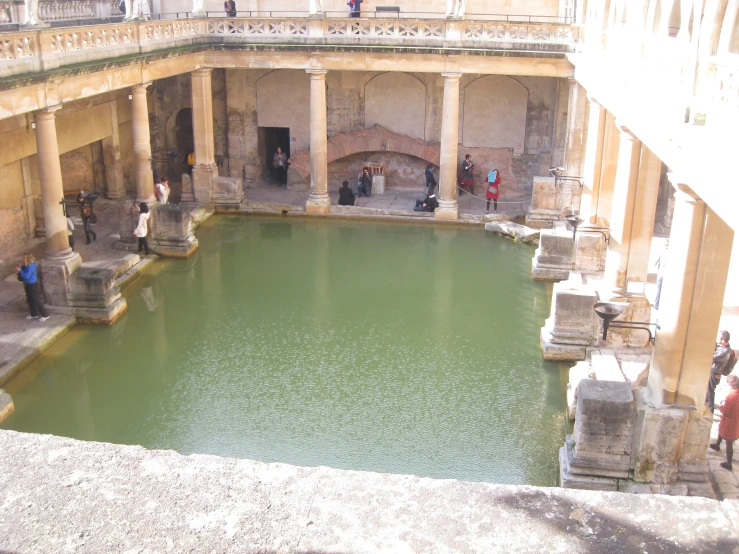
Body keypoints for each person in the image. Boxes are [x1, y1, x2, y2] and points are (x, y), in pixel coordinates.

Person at [710, 374, 739, 470]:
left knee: (729, 442)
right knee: (721, 432)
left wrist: (721, 406)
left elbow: (726, 410)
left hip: (730, 421)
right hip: (734, 420)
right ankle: (717, 445)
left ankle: (729, 463)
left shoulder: (731, 396)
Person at [16, 253, 49, 322]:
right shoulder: (26, 264)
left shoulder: (30, 266)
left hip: (32, 284)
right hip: (27, 284)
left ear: (27, 258)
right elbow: (24, 269)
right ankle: (33, 314)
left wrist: (20, 271)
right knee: (30, 299)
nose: (22, 258)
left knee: (36, 299)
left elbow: (26, 276)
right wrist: (20, 268)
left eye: (23, 257)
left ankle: (45, 315)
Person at [708, 330, 733, 413]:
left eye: (719, 337)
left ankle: (710, 409)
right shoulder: (722, 347)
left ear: (723, 340)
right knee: (708, 389)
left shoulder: (725, 352)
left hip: (715, 372)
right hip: (714, 371)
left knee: (710, 391)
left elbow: (712, 357)